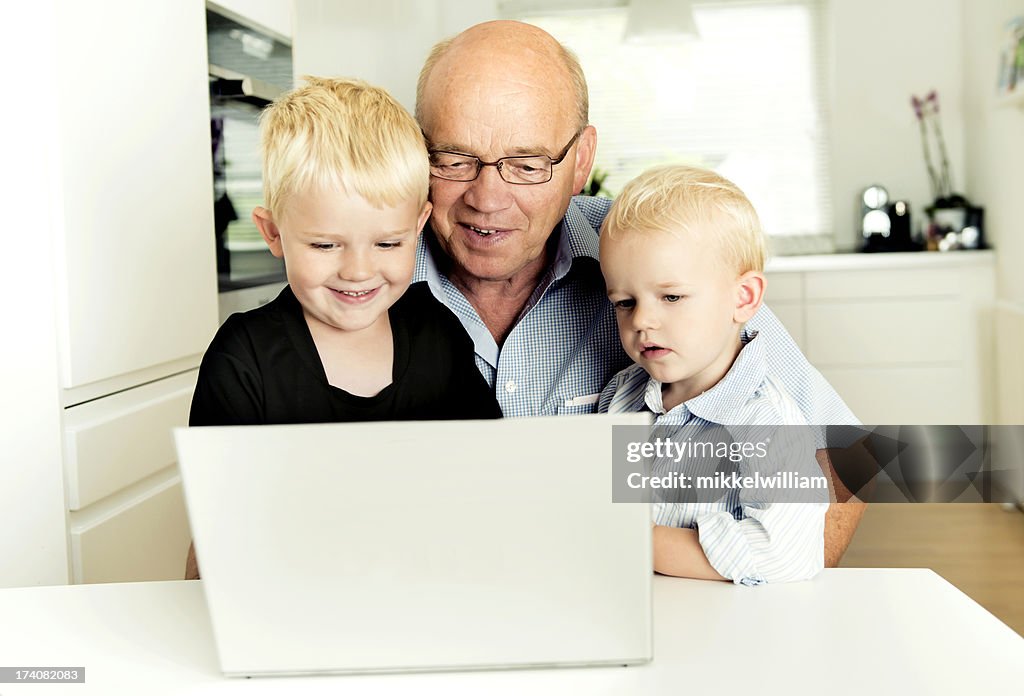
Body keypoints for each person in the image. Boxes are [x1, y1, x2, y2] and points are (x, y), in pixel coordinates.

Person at [413, 20, 865, 565]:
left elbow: (845, 467)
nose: (486, 199)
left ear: (581, 160)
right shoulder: (365, 275)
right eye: (455, 160)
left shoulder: (651, 259)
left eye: (527, 165)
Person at [185, 76, 500, 578]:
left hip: (430, 592)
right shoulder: (243, 359)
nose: (358, 271)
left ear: (418, 227)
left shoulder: (439, 333)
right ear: (273, 233)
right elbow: (215, 533)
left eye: (388, 244)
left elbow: (491, 479)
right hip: (288, 598)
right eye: (326, 245)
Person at [598, 164, 833, 584]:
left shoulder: (768, 422)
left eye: (671, 296)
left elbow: (785, 555)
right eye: (624, 302)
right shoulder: (623, 396)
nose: (643, 321)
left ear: (744, 298)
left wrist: (637, 540)